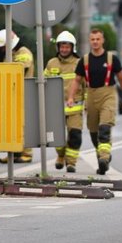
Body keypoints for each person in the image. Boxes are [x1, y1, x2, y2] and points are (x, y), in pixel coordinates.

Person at [67, 28, 122, 175]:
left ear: (102, 40)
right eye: (92, 39)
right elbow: (76, 81)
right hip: (91, 95)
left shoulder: (112, 59)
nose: (95, 42)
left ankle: (104, 157)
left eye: (98, 39)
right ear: (90, 41)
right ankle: (101, 157)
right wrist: (71, 97)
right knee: (93, 131)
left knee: (104, 127)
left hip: (108, 94)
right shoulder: (84, 60)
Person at [45, 31, 84, 173]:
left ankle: (71, 163)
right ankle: (61, 155)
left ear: (72, 47)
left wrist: (87, 104)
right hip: (55, 108)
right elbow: (43, 84)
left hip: (75, 108)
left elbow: (86, 85)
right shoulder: (51, 63)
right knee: (57, 139)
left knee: (75, 135)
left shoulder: (79, 63)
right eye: (62, 46)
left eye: (67, 47)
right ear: (58, 48)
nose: (64, 49)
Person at [0, 29, 34, 163]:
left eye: (3, 47)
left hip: (23, 93)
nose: (2, 50)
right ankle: (14, 153)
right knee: (12, 125)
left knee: (23, 125)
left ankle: (27, 153)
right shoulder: (10, 54)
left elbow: (19, 69)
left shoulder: (24, 53)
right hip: (12, 94)